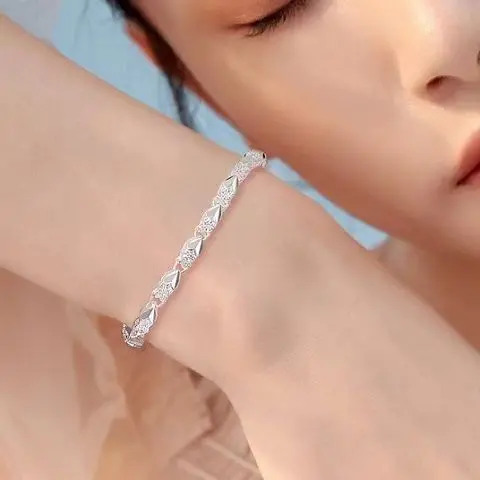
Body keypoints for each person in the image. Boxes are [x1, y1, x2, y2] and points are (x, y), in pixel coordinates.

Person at [1, 4, 480, 480]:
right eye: (277, 9)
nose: (448, 36)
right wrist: (263, 296)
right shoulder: (135, 437)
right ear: (200, 87)